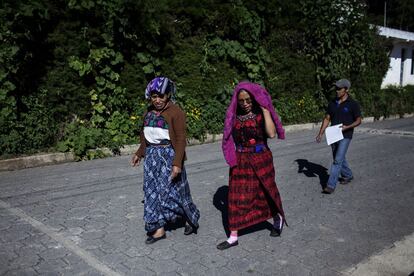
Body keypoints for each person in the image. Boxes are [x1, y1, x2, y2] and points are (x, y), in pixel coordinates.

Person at [217, 81, 287, 250]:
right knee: (234, 196)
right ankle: (233, 236)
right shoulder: (233, 116)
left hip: (261, 156)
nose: (245, 104)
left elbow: (271, 133)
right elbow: (228, 137)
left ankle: (277, 218)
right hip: (241, 159)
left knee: (267, 190)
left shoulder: (260, 113)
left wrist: (265, 109)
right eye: (241, 101)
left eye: (248, 100)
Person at [131, 77, 200, 244]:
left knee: (170, 193)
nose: (158, 100)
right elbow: (146, 136)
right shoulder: (148, 112)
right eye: (154, 97)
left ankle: (188, 216)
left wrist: (177, 163)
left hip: (168, 156)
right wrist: (139, 153)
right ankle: (158, 228)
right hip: (151, 159)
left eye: (161, 96)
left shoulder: (176, 112)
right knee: (151, 193)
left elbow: (181, 139)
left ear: (168, 95)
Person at [316, 79, 362, 194]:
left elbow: (359, 120)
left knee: (337, 160)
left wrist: (348, 127)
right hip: (333, 134)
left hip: (346, 134)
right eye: (336, 88)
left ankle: (330, 185)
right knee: (339, 158)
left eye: (339, 89)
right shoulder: (332, 103)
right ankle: (348, 175)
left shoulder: (353, 104)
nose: (336, 91)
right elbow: (327, 118)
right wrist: (320, 133)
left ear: (346, 90)